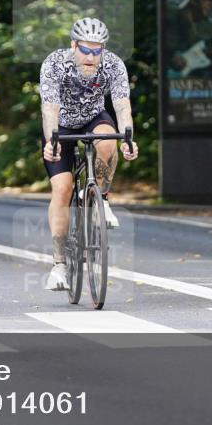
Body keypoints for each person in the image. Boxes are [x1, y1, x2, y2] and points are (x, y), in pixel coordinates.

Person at [39, 17, 138, 291]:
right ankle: (59, 265)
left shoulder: (114, 65)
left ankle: (101, 197)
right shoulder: (55, 63)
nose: (91, 57)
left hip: (94, 117)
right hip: (62, 125)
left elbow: (122, 107)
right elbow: (49, 109)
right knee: (62, 188)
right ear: (73, 45)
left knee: (108, 141)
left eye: (97, 50)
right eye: (85, 49)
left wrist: (128, 136)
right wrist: (52, 140)